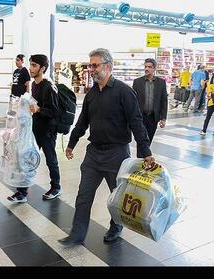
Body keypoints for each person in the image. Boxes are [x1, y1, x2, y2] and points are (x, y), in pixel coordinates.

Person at [58, 48, 155, 246]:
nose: (91, 70)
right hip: (94, 154)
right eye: (90, 65)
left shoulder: (124, 91)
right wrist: (72, 142)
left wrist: (145, 152)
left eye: (95, 65)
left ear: (108, 66)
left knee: (117, 197)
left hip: (117, 154)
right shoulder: (92, 93)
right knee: (83, 196)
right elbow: (83, 121)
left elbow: (136, 122)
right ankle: (77, 234)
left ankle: (116, 226)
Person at [7, 54, 61, 203]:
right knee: (27, 158)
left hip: (48, 130)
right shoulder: (35, 85)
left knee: (51, 160)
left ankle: (56, 187)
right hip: (35, 129)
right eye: (30, 65)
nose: (31, 68)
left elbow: (55, 112)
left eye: (34, 65)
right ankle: (22, 192)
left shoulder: (49, 86)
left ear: (42, 68)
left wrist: (39, 110)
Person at [132, 58, 168, 145]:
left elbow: (164, 101)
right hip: (140, 116)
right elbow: (133, 100)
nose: (146, 69)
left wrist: (163, 118)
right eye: (145, 66)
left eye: (149, 67)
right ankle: (143, 156)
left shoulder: (161, 82)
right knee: (141, 138)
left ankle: (145, 156)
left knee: (149, 138)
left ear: (154, 68)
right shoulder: (137, 82)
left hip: (153, 117)